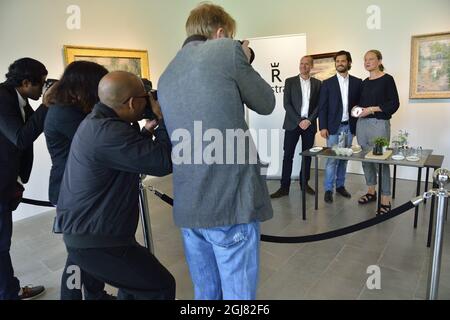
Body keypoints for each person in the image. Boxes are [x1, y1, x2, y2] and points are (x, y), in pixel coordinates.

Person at [158, 3, 275, 300]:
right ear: (221, 32)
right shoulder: (226, 50)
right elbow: (266, 103)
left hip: (189, 203)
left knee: (206, 292)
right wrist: (245, 59)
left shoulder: (167, 72)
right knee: (238, 294)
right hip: (229, 199)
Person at [56, 71, 175, 300]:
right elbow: (164, 162)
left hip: (87, 232)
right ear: (131, 103)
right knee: (159, 287)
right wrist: (163, 119)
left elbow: (122, 153)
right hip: (98, 241)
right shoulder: (109, 132)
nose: (149, 102)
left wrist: (145, 132)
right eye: (145, 97)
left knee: (132, 287)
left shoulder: (97, 122)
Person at [43, 61, 113, 300]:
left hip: (76, 190)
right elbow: (96, 143)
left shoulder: (70, 109)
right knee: (78, 257)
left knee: (88, 252)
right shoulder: (64, 113)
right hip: (70, 191)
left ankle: (95, 294)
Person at [0, 58, 48, 300]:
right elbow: (20, 138)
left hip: (7, 181)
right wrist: (47, 106)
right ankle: (9, 293)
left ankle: (10, 289)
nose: (43, 88)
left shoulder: (20, 99)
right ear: (26, 82)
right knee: (1, 244)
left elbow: (31, 128)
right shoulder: (1, 97)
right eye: (41, 83)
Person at [355, 50, 400, 214]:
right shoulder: (364, 82)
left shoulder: (387, 80)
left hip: (379, 124)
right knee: (366, 160)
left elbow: (394, 103)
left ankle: (385, 199)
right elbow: (360, 103)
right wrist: (357, 109)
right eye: (365, 60)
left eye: (371, 59)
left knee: (381, 161)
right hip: (362, 125)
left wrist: (373, 109)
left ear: (379, 60)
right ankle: (371, 192)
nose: (367, 62)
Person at [271, 55, 322, 198]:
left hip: (309, 125)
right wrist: (299, 120)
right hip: (292, 123)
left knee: (307, 156)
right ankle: (284, 187)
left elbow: (319, 106)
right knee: (288, 155)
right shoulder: (290, 81)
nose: (303, 66)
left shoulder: (318, 84)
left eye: (306, 64)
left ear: (311, 66)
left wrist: (309, 120)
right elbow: (286, 104)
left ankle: (304, 184)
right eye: (301, 63)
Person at [318, 50, 362, 203]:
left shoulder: (358, 82)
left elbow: (359, 106)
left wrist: (357, 126)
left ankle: (341, 186)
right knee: (332, 159)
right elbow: (322, 107)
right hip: (332, 128)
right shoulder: (327, 83)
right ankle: (328, 189)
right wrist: (322, 127)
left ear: (349, 63)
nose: (340, 63)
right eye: (337, 61)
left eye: (343, 61)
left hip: (349, 127)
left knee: (344, 158)